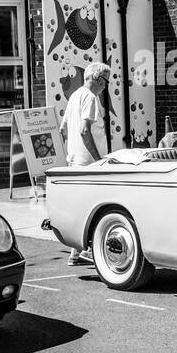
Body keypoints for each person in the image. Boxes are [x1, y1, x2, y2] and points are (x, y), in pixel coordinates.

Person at [59, 62, 110, 265]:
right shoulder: (90, 98)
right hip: (88, 163)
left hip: (75, 161)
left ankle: (75, 253)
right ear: (97, 79)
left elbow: (63, 130)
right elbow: (84, 130)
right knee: (94, 208)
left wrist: (71, 154)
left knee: (81, 207)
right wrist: (98, 160)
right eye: (106, 81)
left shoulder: (74, 96)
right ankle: (87, 250)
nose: (107, 85)